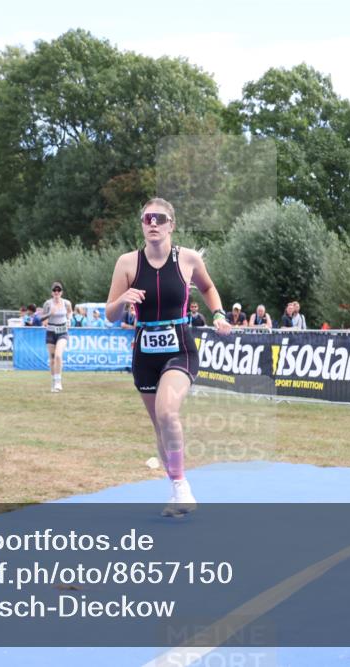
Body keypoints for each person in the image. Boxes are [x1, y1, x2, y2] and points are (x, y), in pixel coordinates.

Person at [105, 198, 231, 516]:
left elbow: (209, 287)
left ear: (171, 224)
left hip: (180, 348)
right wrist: (123, 299)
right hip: (145, 353)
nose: (153, 223)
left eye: (159, 218)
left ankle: (183, 487)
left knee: (167, 412)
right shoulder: (127, 263)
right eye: (147, 218)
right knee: (159, 426)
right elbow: (109, 313)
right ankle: (175, 488)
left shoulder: (187, 259)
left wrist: (218, 314)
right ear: (143, 225)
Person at [41, 281, 73, 392]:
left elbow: (70, 312)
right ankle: (54, 381)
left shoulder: (67, 303)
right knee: (52, 360)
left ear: (62, 292)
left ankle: (59, 382)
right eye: (54, 290)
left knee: (58, 356)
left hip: (62, 332)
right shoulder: (47, 304)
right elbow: (41, 318)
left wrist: (69, 320)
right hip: (50, 332)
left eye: (58, 290)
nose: (56, 292)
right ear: (51, 292)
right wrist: (50, 314)